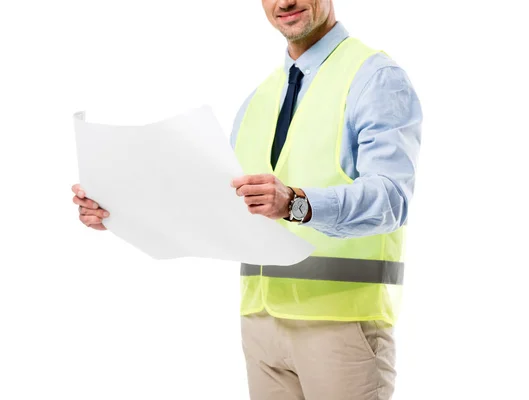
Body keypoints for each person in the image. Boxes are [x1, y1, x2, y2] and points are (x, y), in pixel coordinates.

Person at [72, 1, 422, 398]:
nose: (285, 2)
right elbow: (218, 207)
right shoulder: (260, 97)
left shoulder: (375, 78)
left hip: (340, 324)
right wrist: (120, 212)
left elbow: (391, 199)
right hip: (261, 324)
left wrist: (295, 203)